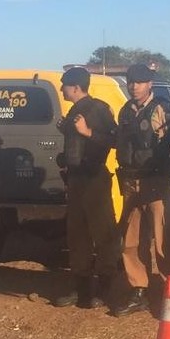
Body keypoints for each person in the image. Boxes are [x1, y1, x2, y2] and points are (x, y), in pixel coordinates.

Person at [113, 64, 170, 317]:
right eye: (131, 81)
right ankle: (139, 291)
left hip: (156, 183)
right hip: (132, 184)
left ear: (150, 83)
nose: (134, 86)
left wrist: (165, 174)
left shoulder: (164, 110)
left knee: (164, 241)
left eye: (140, 82)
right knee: (131, 242)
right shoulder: (125, 111)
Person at [53, 66, 119, 309]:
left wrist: (87, 132)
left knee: (103, 235)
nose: (61, 89)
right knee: (77, 235)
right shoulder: (74, 111)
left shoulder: (99, 109)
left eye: (64, 85)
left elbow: (115, 140)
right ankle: (80, 290)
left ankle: (104, 290)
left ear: (76, 87)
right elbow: (74, 148)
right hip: (77, 179)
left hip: (95, 178)